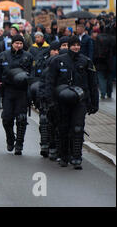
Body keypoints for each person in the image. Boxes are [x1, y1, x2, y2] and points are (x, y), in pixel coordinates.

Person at [44, 36, 99, 169]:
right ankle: (64, 156)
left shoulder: (86, 61)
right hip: (62, 101)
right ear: (68, 46)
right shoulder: (58, 61)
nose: (76, 47)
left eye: (78, 45)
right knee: (63, 128)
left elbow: (93, 84)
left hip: (80, 100)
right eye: (73, 45)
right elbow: (50, 82)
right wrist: (50, 101)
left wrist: (94, 103)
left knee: (77, 128)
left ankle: (77, 157)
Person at [0, 34, 34, 155]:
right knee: (7, 119)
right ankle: (10, 138)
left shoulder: (28, 56)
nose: (18, 45)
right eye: (16, 43)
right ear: (12, 44)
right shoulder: (3, 56)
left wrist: (32, 91)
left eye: (20, 43)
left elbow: (32, 75)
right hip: (8, 90)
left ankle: (19, 144)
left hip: (22, 91)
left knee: (21, 118)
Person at [36, 40, 61, 159]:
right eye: (54, 50)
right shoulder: (44, 61)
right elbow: (38, 80)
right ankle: (45, 145)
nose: (56, 52)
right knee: (44, 122)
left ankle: (55, 147)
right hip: (45, 98)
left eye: (58, 50)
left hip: (58, 99)